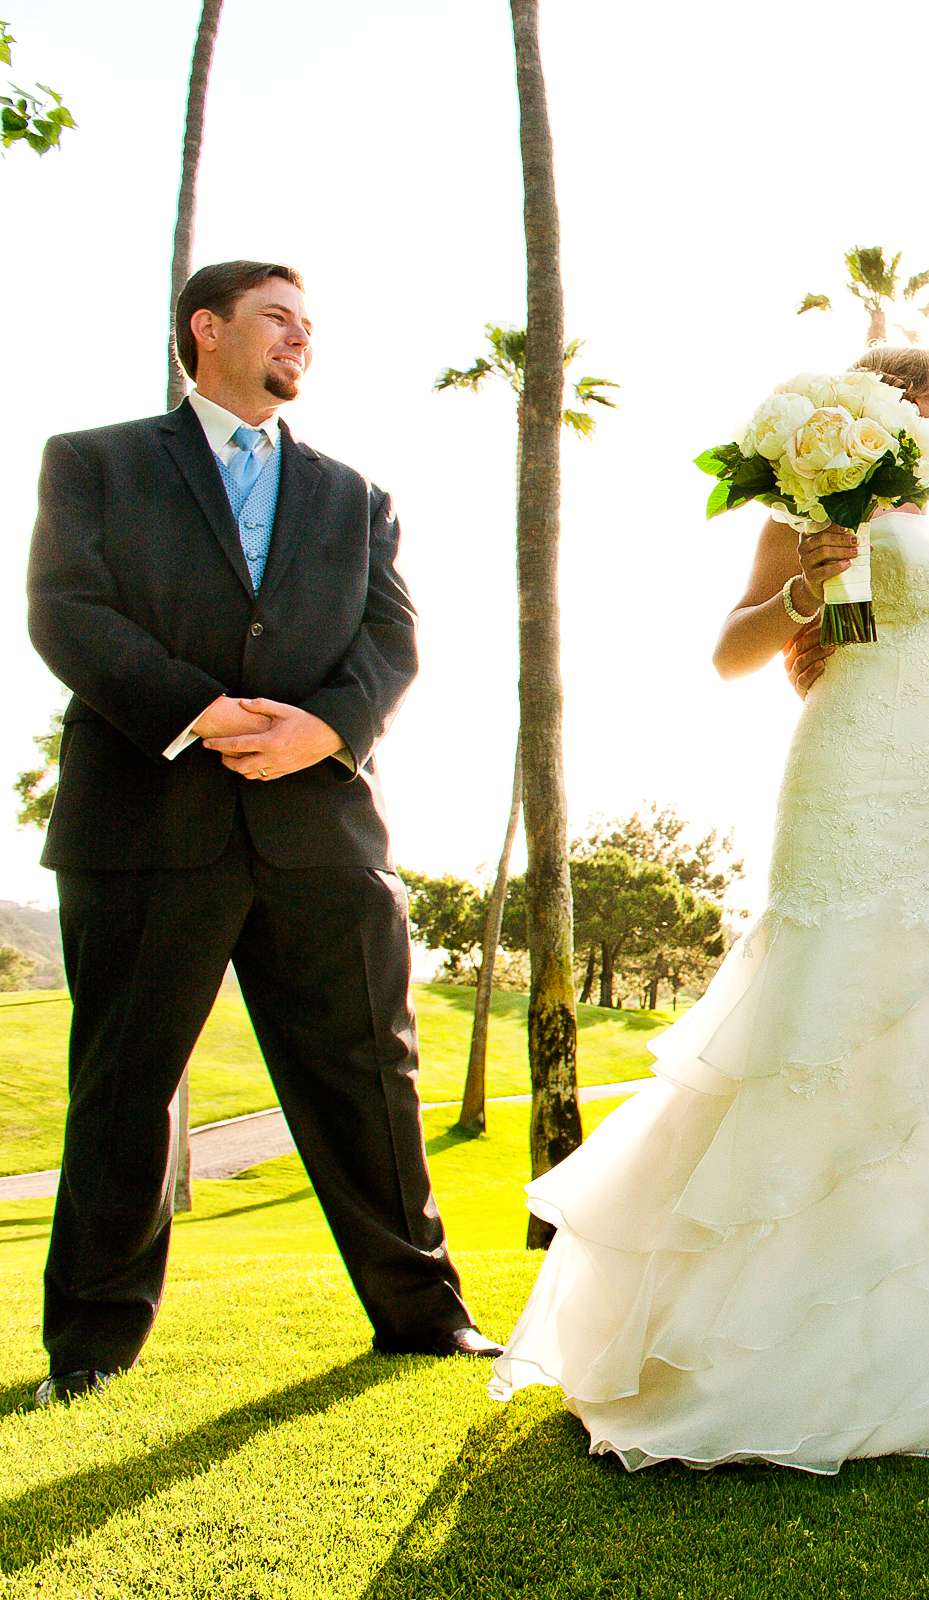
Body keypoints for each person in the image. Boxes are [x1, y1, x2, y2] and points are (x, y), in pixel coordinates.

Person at [491, 345, 929, 1470]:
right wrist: (807, 587)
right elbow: (734, 651)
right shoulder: (814, 501)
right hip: (853, 771)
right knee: (822, 1017)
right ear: (891, 410)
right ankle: (758, 1350)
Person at [24, 261, 489, 1405]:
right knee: (126, 1088)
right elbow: (64, 608)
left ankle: (425, 1320)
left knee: (370, 1081)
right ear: (208, 329)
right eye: (280, 318)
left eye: (310, 326)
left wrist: (319, 732)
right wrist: (200, 710)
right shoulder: (95, 461)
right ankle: (88, 1352)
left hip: (319, 830)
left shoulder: (355, 494)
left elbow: (393, 643)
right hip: (145, 822)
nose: (302, 340)